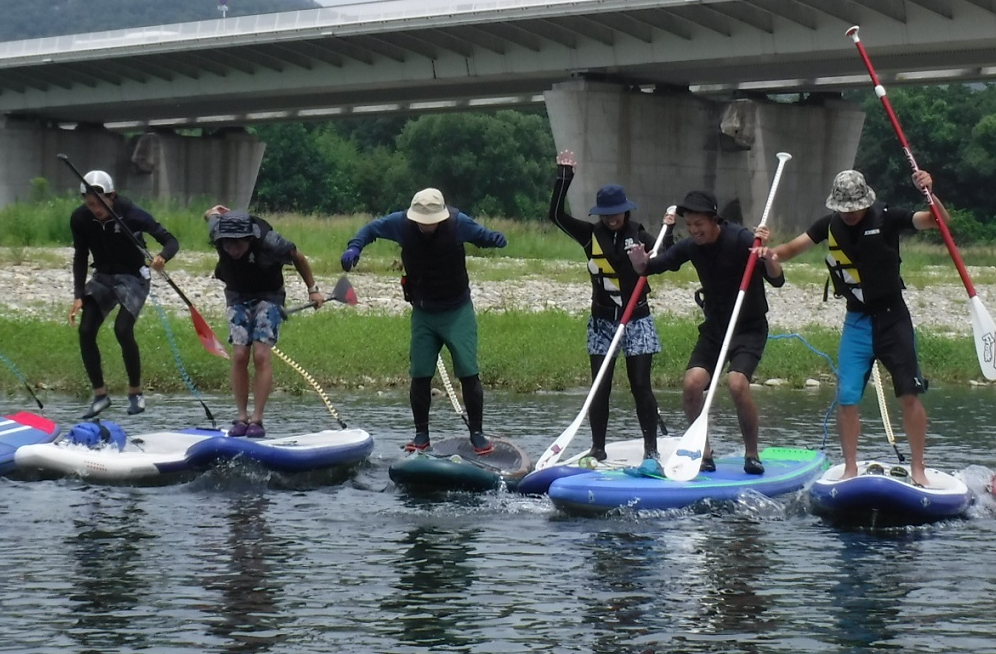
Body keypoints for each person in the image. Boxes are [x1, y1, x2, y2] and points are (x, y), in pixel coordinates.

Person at [768, 168, 941, 485]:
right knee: (847, 396)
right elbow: (790, 249)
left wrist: (930, 193)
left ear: (866, 202)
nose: (848, 214)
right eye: (842, 209)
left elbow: (936, 221)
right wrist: (766, 253)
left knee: (909, 394)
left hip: (893, 318)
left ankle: (918, 468)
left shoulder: (888, 217)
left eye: (854, 208)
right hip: (857, 321)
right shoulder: (828, 225)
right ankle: (850, 468)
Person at [627, 189, 782, 475]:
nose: (694, 230)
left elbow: (777, 279)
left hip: (748, 328)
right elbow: (658, 265)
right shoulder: (691, 246)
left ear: (714, 220)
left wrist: (769, 256)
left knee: (737, 384)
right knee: (692, 384)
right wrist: (641, 265)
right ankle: (704, 452)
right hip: (715, 329)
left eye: (700, 224)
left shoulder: (741, 239)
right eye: (690, 225)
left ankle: (752, 453)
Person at [341, 188, 507, 453]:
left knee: (468, 371)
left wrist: (495, 239)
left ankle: (477, 433)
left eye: (431, 222)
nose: (426, 226)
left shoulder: (457, 223)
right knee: (420, 374)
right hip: (424, 312)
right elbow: (370, 230)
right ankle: (421, 435)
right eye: (422, 221)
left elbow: (481, 235)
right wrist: (354, 247)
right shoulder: (400, 224)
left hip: (457, 310)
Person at [548, 150, 664, 467]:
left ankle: (651, 449)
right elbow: (555, 216)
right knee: (600, 386)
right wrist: (564, 177)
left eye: (617, 212)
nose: (612, 217)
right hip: (602, 322)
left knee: (641, 385)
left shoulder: (640, 235)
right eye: (606, 213)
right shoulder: (589, 235)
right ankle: (598, 448)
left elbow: (667, 256)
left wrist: (654, 253)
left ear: (625, 211)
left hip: (637, 320)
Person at [205, 205, 324, 438]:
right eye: (227, 243)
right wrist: (212, 212)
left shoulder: (272, 242)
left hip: (269, 295)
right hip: (237, 295)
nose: (232, 249)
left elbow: (299, 257)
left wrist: (313, 290)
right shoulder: (218, 231)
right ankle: (241, 417)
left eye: (237, 243)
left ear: (249, 238)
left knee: (260, 354)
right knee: (239, 355)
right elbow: (210, 216)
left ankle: (257, 420)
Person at [67, 171, 179, 417]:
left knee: (122, 330)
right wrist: (78, 294)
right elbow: (80, 257)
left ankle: (135, 393)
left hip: (134, 277)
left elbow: (171, 241)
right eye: (89, 203)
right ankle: (100, 396)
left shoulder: (131, 213)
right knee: (86, 331)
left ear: (112, 196)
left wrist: (162, 257)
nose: (95, 208)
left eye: (99, 203)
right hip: (103, 277)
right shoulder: (80, 219)